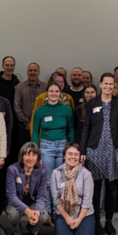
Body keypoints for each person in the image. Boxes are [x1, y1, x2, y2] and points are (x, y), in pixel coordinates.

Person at [80, 73, 118, 235]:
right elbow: (86, 127)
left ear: (114, 86)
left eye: (111, 84)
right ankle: (95, 222)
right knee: (95, 188)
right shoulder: (93, 102)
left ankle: (109, 221)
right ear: (100, 85)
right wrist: (82, 150)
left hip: (114, 149)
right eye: (105, 83)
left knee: (112, 188)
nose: (108, 86)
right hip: (94, 149)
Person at [31, 82, 75, 212]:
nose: (54, 94)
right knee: (48, 181)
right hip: (46, 147)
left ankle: (59, 210)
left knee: (62, 180)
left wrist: (71, 150)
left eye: (56, 91)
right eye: (51, 91)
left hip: (63, 147)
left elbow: (71, 130)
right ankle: (47, 210)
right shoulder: (40, 111)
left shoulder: (67, 109)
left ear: (60, 93)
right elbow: (35, 132)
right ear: (46, 93)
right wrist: (36, 152)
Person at [51, 143, 95, 235]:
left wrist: (79, 220)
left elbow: (87, 201)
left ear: (80, 157)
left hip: (83, 213)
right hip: (64, 212)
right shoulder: (56, 173)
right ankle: (72, 232)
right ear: (64, 156)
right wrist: (67, 217)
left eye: (76, 154)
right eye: (70, 154)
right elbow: (56, 199)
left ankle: (78, 231)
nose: (73, 157)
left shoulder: (86, 174)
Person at [5, 142, 49, 235]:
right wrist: (28, 211)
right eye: (27, 154)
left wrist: (36, 213)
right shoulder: (12, 169)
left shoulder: (43, 171)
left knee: (43, 215)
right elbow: (11, 196)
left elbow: (42, 196)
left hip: (32, 202)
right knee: (13, 214)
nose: (30, 158)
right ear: (22, 156)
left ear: (38, 157)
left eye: (34, 155)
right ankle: (17, 231)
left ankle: (33, 229)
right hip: (16, 202)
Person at [14, 63, 46, 145]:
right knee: (24, 150)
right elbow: (17, 106)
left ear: (39, 72)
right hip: (24, 126)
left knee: (39, 150)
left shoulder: (45, 87)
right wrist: (27, 122)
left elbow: (47, 106)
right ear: (27, 72)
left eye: (35, 70)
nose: (33, 72)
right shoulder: (20, 87)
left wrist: (36, 123)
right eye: (30, 70)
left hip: (40, 126)